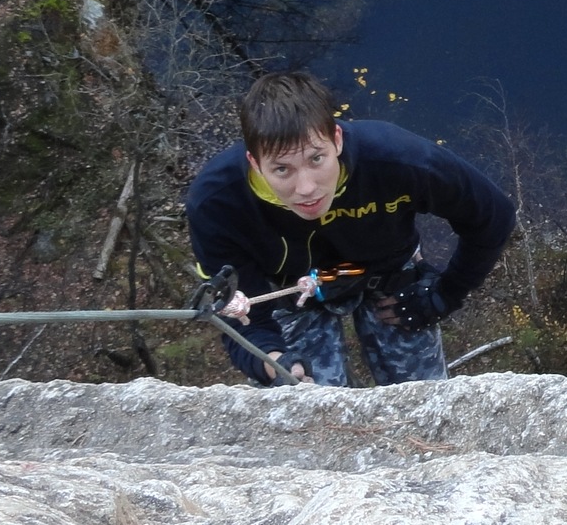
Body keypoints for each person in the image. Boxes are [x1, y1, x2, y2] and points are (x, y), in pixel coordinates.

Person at [185, 71, 516, 387]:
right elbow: (240, 311)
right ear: (255, 163)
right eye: (282, 169)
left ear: (337, 140)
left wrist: (447, 293)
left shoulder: (396, 160)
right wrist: (273, 363)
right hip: (290, 293)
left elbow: (493, 215)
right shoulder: (219, 203)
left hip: (389, 275)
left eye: (316, 159)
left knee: (424, 399)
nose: (306, 188)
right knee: (308, 405)